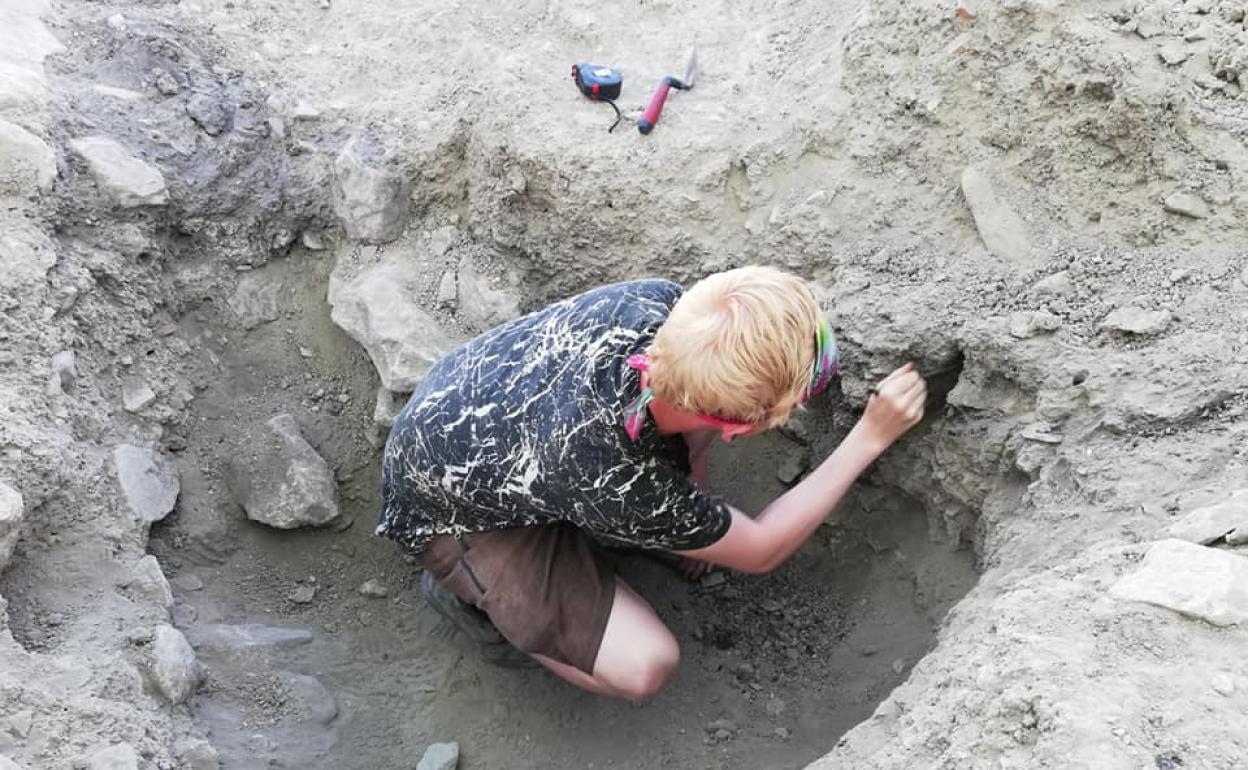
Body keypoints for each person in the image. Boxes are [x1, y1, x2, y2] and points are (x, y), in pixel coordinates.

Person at [377, 266, 927, 702]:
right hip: (447, 516)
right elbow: (761, 550)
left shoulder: (663, 308)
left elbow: (694, 422)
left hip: (466, 419)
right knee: (646, 665)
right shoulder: (616, 477)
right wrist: (869, 437)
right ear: (739, 427)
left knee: (650, 488)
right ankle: (474, 600)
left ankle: (589, 537)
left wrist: (696, 501)